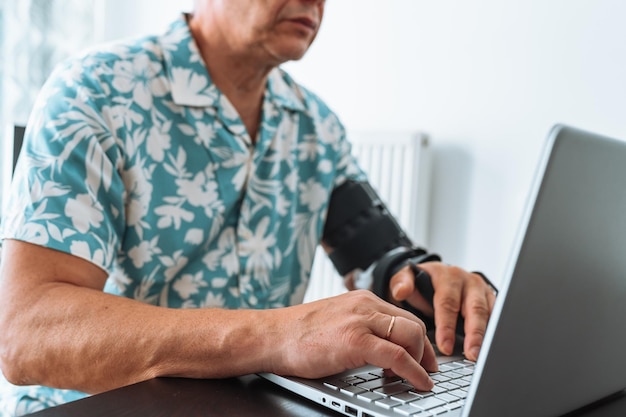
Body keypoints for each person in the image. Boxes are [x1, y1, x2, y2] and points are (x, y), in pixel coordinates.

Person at [0, 1, 496, 415]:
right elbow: (26, 333)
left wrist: (425, 279)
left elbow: (378, 256)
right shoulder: (94, 91)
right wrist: (279, 334)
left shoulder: (316, 127)